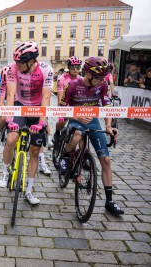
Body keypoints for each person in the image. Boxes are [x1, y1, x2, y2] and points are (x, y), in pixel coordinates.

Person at [59, 57, 123, 216]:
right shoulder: (72, 85)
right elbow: (61, 110)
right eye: (99, 78)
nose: (102, 81)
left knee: (106, 160)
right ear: (88, 74)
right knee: (76, 137)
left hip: (93, 121)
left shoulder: (101, 85)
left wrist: (109, 126)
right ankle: (66, 154)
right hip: (76, 119)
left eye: (103, 78)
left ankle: (109, 201)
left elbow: (107, 107)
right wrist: (76, 118)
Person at [0, 41, 53, 205]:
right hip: (20, 107)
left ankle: (28, 191)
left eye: (20, 62)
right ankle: (5, 172)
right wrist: (8, 119)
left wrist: (42, 123)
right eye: (16, 62)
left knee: (35, 152)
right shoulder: (12, 69)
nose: (17, 65)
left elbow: (46, 98)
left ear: (31, 61)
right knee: (11, 139)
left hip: (38, 110)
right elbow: (10, 95)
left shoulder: (46, 70)